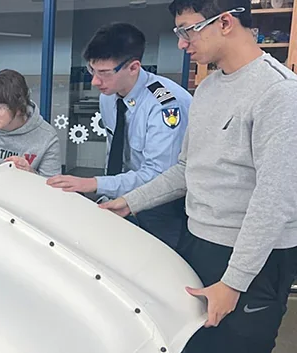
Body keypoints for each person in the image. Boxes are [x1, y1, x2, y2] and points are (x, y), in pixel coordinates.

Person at [100, 1, 297, 352]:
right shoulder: (207, 89)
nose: (182, 43)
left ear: (225, 23)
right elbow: (186, 169)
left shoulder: (279, 93)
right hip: (198, 241)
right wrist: (130, 202)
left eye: (188, 30)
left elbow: (275, 199)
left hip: (253, 259)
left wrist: (234, 283)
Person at [46, 22, 192, 250]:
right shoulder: (108, 96)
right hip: (123, 197)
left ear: (133, 67)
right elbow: (114, 149)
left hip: (162, 205)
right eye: (92, 70)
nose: (95, 81)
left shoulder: (165, 105)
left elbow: (159, 177)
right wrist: (106, 192)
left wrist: (94, 183)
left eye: (104, 73)